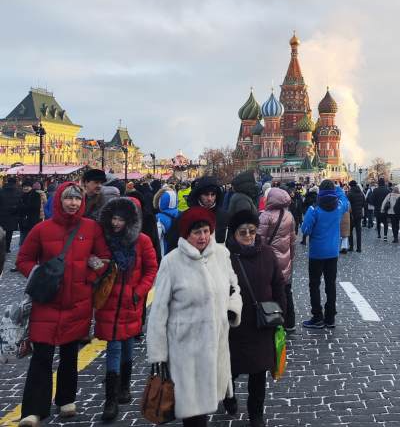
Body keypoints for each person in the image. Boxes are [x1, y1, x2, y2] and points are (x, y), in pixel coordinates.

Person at [16, 183, 110, 427]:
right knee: (42, 356)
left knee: (69, 354)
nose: (73, 203)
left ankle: (66, 399)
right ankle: (34, 410)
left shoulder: (90, 228)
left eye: (77, 199)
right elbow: (24, 259)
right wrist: (39, 275)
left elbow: (103, 260)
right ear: (59, 200)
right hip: (46, 301)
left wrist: (87, 280)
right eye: (69, 199)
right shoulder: (42, 229)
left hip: (77, 302)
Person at [146, 207, 243, 427]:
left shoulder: (221, 254)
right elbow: (159, 312)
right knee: (193, 414)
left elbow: (234, 287)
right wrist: (158, 355)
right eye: (196, 232)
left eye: (206, 231)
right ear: (186, 235)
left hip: (216, 347)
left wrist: (231, 309)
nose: (202, 237)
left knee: (208, 403)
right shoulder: (172, 262)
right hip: (185, 351)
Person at [95, 198, 158, 421]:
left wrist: (138, 292)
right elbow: (94, 264)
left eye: (121, 218)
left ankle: (124, 386)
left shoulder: (142, 241)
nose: (115, 223)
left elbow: (151, 269)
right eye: (113, 217)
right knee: (113, 346)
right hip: (110, 301)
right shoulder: (103, 240)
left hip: (131, 301)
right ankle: (110, 399)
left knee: (129, 343)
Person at [224, 210, 286, 426]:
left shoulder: (267, 253)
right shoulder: (225, 257)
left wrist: (281, 313)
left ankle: (256, 414)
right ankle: (229, 396)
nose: (249, 236)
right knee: (230, 368)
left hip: (262, 324)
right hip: (235, 325)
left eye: (252, 231)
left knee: (259, 373)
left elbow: (278, 284)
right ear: (234, 234)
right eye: (243, 233)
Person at [300, 180, 349, 329]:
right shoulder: (339, 207)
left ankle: (317, 317)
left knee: (314, 285)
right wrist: (338, 188)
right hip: (332, 253)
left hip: (316, 254)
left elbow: (305, 230)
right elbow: (346, 201)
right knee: (330, 285)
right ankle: (330, 317)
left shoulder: (314, 209)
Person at [258, 188, 296, 332]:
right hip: (285, 260)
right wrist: (291, 257)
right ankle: (289, 322)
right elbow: (292, 240)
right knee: (286, 290)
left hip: (270, 260)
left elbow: (260, 242)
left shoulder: (265, 217)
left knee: (271, 291)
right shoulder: (289, 216)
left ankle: (274, 321)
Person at [187, 175, 228, 243]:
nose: (209, 198)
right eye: (206, 194)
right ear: (199, 195)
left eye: (213, 194)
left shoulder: (224, 216)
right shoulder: (188, 216)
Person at [154, 186, 180, 255]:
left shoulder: (159, 218)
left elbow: (157, 238)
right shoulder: (181, 214)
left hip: (165, 252)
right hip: (180, 251)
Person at [0, 176, 22, 254]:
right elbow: (20, 204)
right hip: (13, 216)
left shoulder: (1, 191)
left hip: (2, 215)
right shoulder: (18, 191)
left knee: (1, 232)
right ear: (15, 182)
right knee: (9, 233)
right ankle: (7, 248)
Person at [18, 179, 41, 246]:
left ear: (31, 187)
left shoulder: (36, 195)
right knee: (22, 241)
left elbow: (36, 207)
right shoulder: (21, 195)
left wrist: (23, 207)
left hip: (32, 221)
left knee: (32, 240)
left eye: (27, 186)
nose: (25, 188)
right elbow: (19, 207)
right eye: (24, 186)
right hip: (23, 222)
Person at [346, 181, 365, 252]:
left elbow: (347, 205)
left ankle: (351, 247)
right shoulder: (361, 193)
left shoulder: (349, 194)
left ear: (350, 186)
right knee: (358, 231)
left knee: (350, 231)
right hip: (359, 214)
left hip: (351, 215)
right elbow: (363, 203)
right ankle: (359, 248)